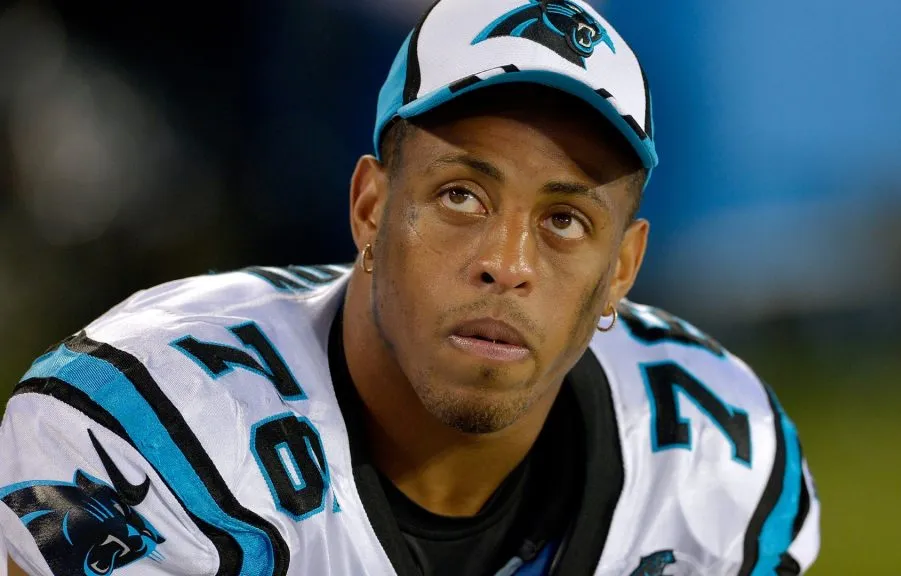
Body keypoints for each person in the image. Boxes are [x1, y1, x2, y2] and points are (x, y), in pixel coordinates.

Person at [0, 0, 820, 574]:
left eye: (565, 221)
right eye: (462, 196)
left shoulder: (715, 459)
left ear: (622, 271)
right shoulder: (149, 431)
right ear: (371, 207)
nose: (508, 261)